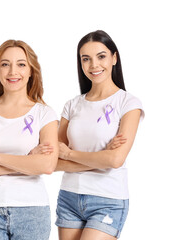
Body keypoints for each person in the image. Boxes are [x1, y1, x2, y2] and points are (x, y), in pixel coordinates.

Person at [0, 40, 59, 240]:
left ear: (31, 70)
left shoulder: (45, 114)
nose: (12, 71)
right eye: (5, 64)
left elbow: (48, 165)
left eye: (21, 64)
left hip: (32, 211)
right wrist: (28, 162)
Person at [53, 30, 144, 239]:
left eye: (101, 56)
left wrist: (69, 154)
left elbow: (115, 159)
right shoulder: (72, 105)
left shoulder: (128, 103)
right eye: (86, 59)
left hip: (108, 199)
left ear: (114, 58)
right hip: (69, 196)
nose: (94, 65)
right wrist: (100, 158)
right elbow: (53, 161)